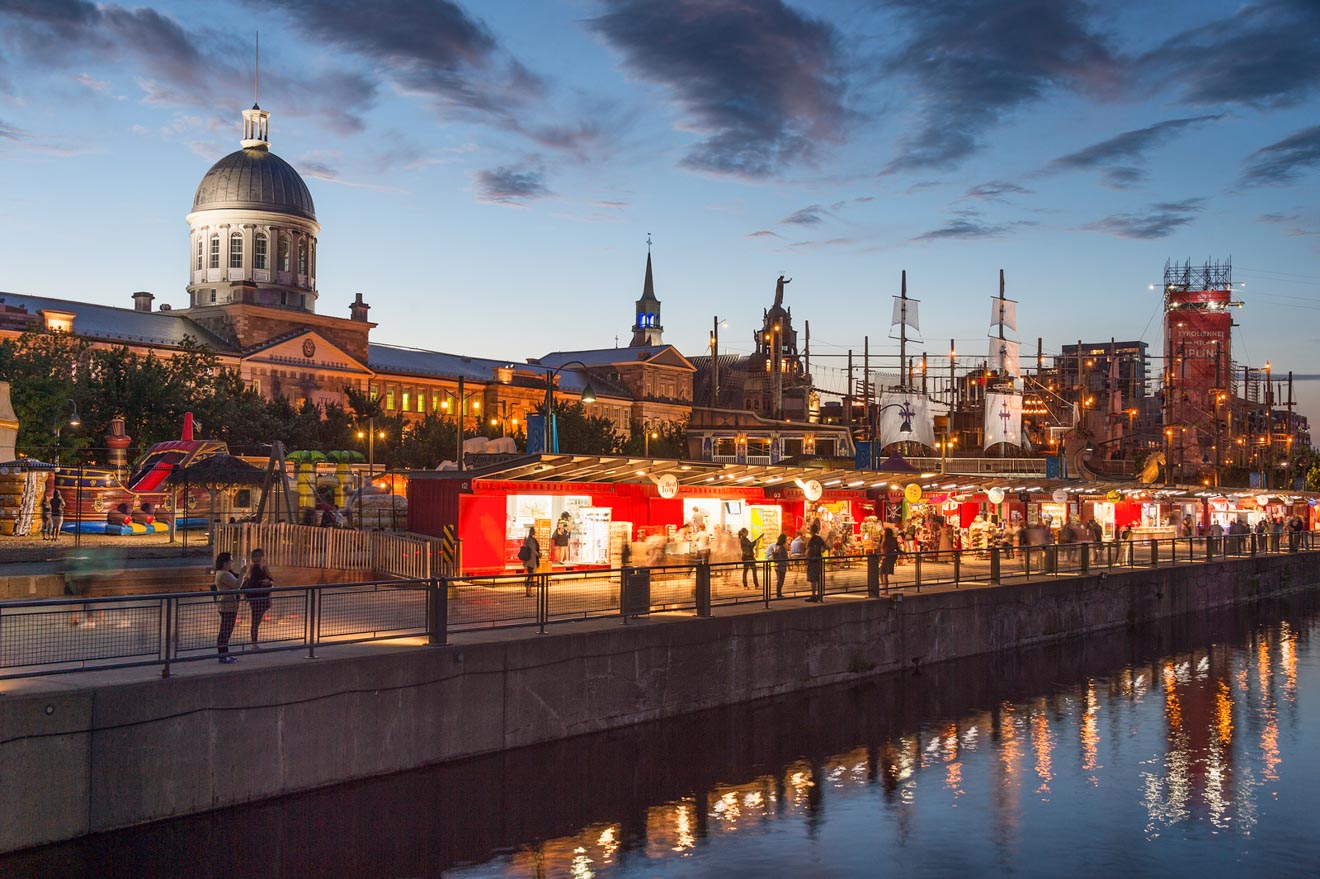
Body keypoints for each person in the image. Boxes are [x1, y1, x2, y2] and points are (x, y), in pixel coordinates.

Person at [212, 552, 244, 664]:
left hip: (229, 605)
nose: (232, 562)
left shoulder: (224, 573)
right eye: (230, 560)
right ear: (225, 563)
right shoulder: (224, 574)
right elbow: (237, 585)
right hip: (227, 606)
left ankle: (225, 654)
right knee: (225, 631)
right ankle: (222, 655)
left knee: (226, 631)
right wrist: (242, 573)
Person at [243, 548, 274, 649]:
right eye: (255, 556)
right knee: (255, 621)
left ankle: (254, 643)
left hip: (263, 597)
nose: (257, 558)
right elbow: (253, 582)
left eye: (259, 556)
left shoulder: (263, 568)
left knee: (256, 621)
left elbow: (271, 579)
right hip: (256, 598)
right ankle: (254, 643)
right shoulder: (253, 569)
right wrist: (263, 582)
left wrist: (268, 582)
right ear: (252, 558)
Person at [805, 523, 827, 602]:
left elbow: (808, 550)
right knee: (818, 578)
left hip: (812, 560)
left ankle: (813, 595)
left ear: (811, 530)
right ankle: (819, 594)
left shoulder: (812, 539)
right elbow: (826, 546)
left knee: (812, 579)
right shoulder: (819, 538)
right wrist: (822, 550)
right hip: (818, 559)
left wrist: (806, 557)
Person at [519, 527, 540, 597]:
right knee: (530, 576)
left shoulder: (529, 539)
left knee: (531, 576)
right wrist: (538, 554)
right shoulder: (530, 540)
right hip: (531, 560)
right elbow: (533, 550)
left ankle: (529, 591)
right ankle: (528, 591)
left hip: (530, 560)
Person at [880, 526, 901, 592]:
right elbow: (897, 549)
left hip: (886, 558)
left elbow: (884, 549)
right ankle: (884, 588)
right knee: (882, 574)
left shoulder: (886, 540)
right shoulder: (893, 539)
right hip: (892, 557)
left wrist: (882, 557)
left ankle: (885, 590)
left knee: (883, 574)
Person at [771, 533, 789, 598]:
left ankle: (778, 592)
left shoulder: (776, 546)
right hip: (782, 565)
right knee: (781, 580)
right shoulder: (783, 548)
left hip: (777, 565)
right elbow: (785, 557)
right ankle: (779, 593)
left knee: (779, 579)